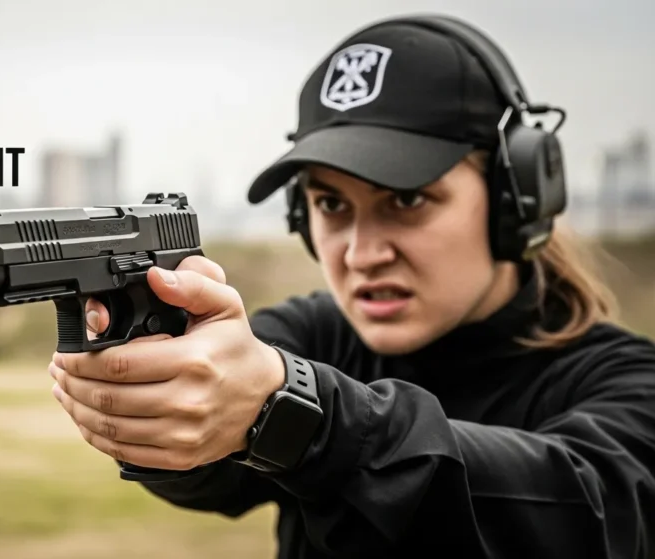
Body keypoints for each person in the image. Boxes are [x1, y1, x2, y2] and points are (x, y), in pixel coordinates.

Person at [46, 14, 655, 558]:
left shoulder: (629, 383)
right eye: (331, 203)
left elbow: (589, 514)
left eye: (409, 199)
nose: (362, 252)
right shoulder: (315, 336)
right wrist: (165, 401)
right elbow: (214, 476)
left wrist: (300, 418)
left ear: (514, 202)